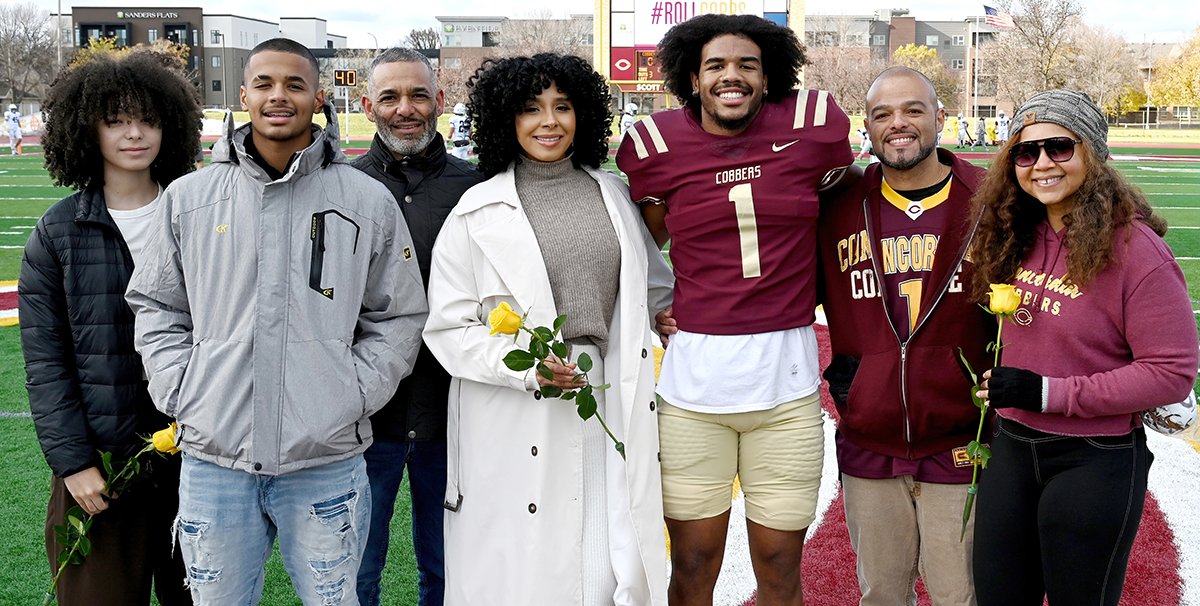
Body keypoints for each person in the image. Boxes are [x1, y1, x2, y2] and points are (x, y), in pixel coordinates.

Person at [125, 38, 428, 605]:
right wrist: (183, 388)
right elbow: (157, 306)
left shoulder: (366, 200)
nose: (278, 96)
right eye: (264, 84)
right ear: (243, 96)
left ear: (318, 98)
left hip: (326, 462)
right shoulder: (190, 199)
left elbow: (399, 315)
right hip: (216, 459)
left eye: (294, 85)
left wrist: (349, 393)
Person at [617, 14, 855, 605]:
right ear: (691, 79)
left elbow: (843, 209)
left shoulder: (811, 127)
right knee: (693, 562)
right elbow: (638, 245)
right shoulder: (657, 145)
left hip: (787, 390)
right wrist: (659, 302)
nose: (732, 76)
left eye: (747, 64)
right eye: (716, 65)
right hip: (694, 393)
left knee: (778, 565)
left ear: (768, 75)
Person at [422, 52, 673, 606]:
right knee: (524, 563)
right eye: (532, 109)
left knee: (604, 549)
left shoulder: (612, 194)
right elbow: (447, 328)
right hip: (511, 407)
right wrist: (526, 367)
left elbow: (652, 286)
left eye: (563, 106)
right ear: (506, 119)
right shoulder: (475, 210)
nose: (549, 122)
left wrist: (663, 315)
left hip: (605, 393)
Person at [970, 88, 1198, 606]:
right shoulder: (1014, 235)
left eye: (1060, 148)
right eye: (1026, 153)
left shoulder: (1137, 251)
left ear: (1092, 154)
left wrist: (1048, 391)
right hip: (1011, 446)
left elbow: (1171, 372)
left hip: (1094, 457)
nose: (1042, 164)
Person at [19, 49, 200, 606]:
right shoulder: (57, 232)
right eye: (116, 120)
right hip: (100, 470)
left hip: (198, 463)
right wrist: (73, 463)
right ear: (86, 129)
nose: (134, 134)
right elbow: (46, 360)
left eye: (147, 119)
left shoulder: (201, 214)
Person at [817, 66, 992, 606]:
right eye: (882, 114)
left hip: (960, 440)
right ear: (865, 128)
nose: (899, 124)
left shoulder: (990, 201)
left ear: (941, 118)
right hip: (870, 439)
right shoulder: (839, 203)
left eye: (913, 110)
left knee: (960, 595)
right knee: (882, 596)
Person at [352, 46, 483, 606]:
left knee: (451, 568)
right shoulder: (341, 186)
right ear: (367, 105)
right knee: (355, 571)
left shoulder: (478, 188)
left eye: (418, 94)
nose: (405, 108)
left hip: (457, 413)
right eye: (390, 97)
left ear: (441, 101)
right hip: (364, 418)